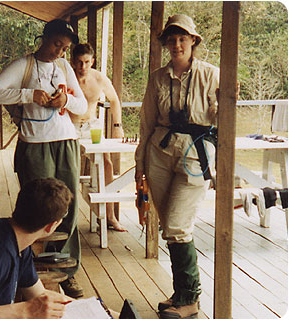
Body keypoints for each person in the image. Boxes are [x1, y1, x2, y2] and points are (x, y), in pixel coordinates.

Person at [0, 19, 88, 298]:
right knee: (40, 208)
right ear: (45, 38)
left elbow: (83, 105)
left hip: (65, 140)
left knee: (70, 207)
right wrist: (28, 94)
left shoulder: (64, 67)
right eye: (56, 44)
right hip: (35, 143)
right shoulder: (24, 65)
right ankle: (33, 272)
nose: (59, 52)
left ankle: (66, 271)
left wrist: (65, 101)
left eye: (64, 48)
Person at [135, 14, 219, 318]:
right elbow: (145, 123)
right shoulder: (158, 77)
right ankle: (180, 293)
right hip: (159, 152)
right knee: (170, 227)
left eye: (183, 38)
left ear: (193, 41)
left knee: (177, 224)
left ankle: (190, 299)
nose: (177, 44)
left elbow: (221, 119)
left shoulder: (211, 75)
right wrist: (139, 166)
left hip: (196, 157)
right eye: (172, 39)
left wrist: (227, 102)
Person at [0, 178, 74, 318]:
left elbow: (40, 295)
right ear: (51, 227)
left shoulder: (18, 241)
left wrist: (103, 311)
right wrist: (25, 310)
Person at [70, 43, 126, 232]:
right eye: (79, 62)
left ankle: (110, 217)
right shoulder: (66, 77)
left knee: (106, 164)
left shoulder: (99, 78)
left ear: (92, 61)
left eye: (86, 62)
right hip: (69, 126)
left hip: (92, 126)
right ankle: (63, 220)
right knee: (68, 168)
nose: (83, 67)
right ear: (73, 61)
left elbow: (114, 100)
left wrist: (117, 126)